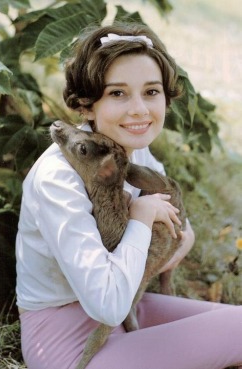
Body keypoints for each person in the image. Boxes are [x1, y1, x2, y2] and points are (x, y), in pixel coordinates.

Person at [16, 22, 242, 369]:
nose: (139, 109)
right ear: (87, 104)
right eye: (118, 93)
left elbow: (183, 233)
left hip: (127, 311)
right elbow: (107, 301)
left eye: (151, 92)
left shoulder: (133, 147)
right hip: (70, 345)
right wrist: (140, 219)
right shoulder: (58, 178)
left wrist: (156, 245)